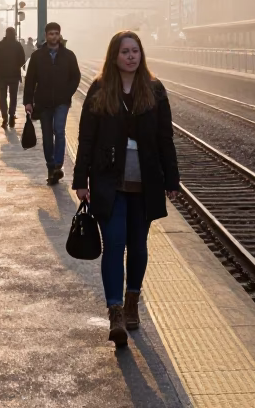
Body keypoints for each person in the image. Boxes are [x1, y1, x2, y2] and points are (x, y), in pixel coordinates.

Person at [74, 31, 180, 348]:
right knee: (114, 244)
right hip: (109, 181)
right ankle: (115, 311)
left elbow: (165, 140)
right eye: (125, 52)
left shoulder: (155, 91)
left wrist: (172, 180)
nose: (131, 56)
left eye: (135, 51)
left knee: (138, 245)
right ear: (114, 56)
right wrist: (81, 179)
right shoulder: (99, 89)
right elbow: (87, 138)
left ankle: (133, 300)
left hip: (145, 182)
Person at [24, 21, 82, 185]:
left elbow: (75, 77)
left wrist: (67, 93)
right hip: (43, 102)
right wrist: (28, 102)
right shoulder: (37, 56)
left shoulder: (69, 55)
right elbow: (30, 80)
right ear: (46, 36)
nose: (54, 37)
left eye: (56, 34)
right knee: (47, 136)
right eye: (51, 34)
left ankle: (58, 165)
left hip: (62, 101)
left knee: (59, 130)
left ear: (60, 35)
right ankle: (50, 166)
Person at [0, 27, 27, 127]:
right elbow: (22, 60)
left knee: (2, 97)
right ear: (14, 34)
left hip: (2, 76)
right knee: (13, 97)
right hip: (14, 76)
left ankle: (4, 116)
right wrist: (16, 66)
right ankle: (11, 114)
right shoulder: (18, 45)